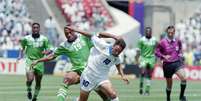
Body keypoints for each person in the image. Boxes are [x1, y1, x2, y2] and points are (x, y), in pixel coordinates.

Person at [31, 25, 121, 101]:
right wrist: (38, 60)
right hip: (78, 71)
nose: (68, 35)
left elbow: (99, 34)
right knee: (67, 79)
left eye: (70, 32)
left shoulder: (84, 37)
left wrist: (113, 36)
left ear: (74, 31)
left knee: (106, 98)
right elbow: (52, 56)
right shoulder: (64, 45)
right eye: (66, 34)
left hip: (92, 72)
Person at [65, 26, 129, 101]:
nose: (117, 52)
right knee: (82, 100)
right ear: (113, 45)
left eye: (119, 52)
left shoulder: (116, 57)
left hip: (101, 78)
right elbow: (94, 35)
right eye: (116, 50)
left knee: (113, 95)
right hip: (88, 76)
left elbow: (118, 64)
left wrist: (122, 75)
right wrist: (76, 30)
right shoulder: (103, 45)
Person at [17, 23, 52, 101]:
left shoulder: (44, 39)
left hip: (39, 62)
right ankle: (29, 90)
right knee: (30, 79)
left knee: (38, 82)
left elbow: (50, 49)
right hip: (30, 61)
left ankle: (35, 97)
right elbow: (22, 47)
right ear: (32, 29)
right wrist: (20, 55)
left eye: (37, 28)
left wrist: (47, 52)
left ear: (39, 29)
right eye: (34, 28)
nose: (35, 29)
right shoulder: (26, 38)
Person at [155, 26, 187, 101]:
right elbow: (156, 52)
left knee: (184, 78)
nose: (170, 34)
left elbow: (180, 50)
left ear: (174, 32)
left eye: (172, 32)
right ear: (167, 32)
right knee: (169, 85)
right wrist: (163, 56)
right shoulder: (162, 42)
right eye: (169, 32)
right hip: (167, 65)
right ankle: (168, 98)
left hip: (177, 63)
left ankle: (181, 97)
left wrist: (180, 55)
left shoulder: (178, 41)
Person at [135, 27, 157, 95]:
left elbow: (157, 48)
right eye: (147, 31)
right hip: (143, 58)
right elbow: (138, 51)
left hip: (151, 58)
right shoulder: (141, 40)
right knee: (143, 72)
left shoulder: (154, 40)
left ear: (151, 32)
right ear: (145, 32)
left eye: (149, 31)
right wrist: (137, 59)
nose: (148, 32)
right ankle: (141, 87)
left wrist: (157, 58)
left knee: (149, 74)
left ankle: (147, 90)